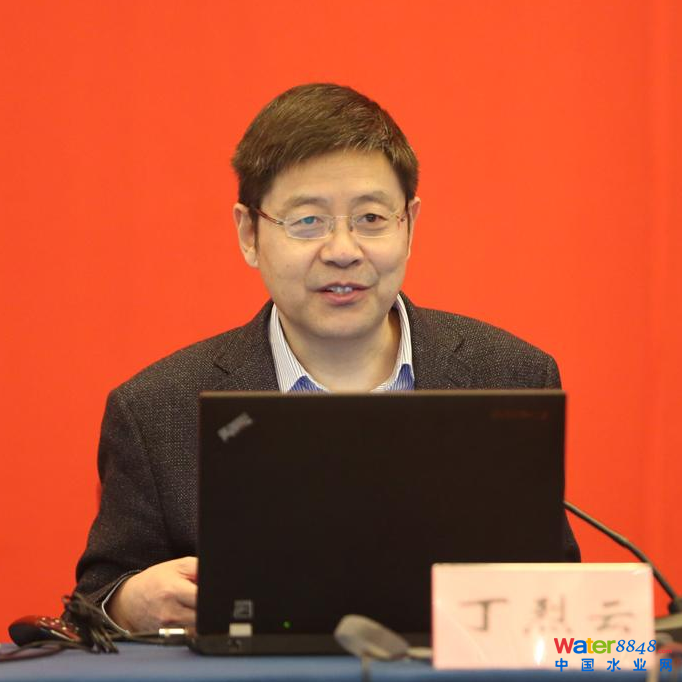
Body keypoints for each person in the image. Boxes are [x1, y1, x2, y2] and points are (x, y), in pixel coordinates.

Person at [72, 83, 579, 633]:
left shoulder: (509, 378)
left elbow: (559, 605)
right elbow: (93, 602)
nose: (342, 250)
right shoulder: (156, 410)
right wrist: (125, 604)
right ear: (249, 233)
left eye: (371, 218)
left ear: (409, 225)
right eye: (307, 221)